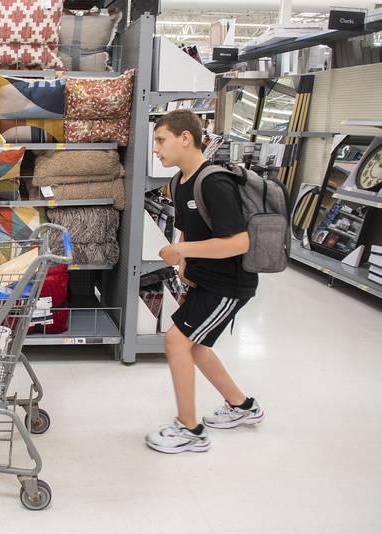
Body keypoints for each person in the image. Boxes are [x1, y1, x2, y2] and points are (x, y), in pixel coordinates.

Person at [146, 109, 264, 454]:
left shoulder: (214, 181)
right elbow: (190, 225)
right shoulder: (178, 182)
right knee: (196, 347)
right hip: (206, 278)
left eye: (161, 139)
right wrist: (185, 261)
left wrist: (182, 248)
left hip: (229, 283)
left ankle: (190, 429)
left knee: (176, 342)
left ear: (186, 138)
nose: (156, 149)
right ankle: (242, 406)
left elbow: (239, 242)